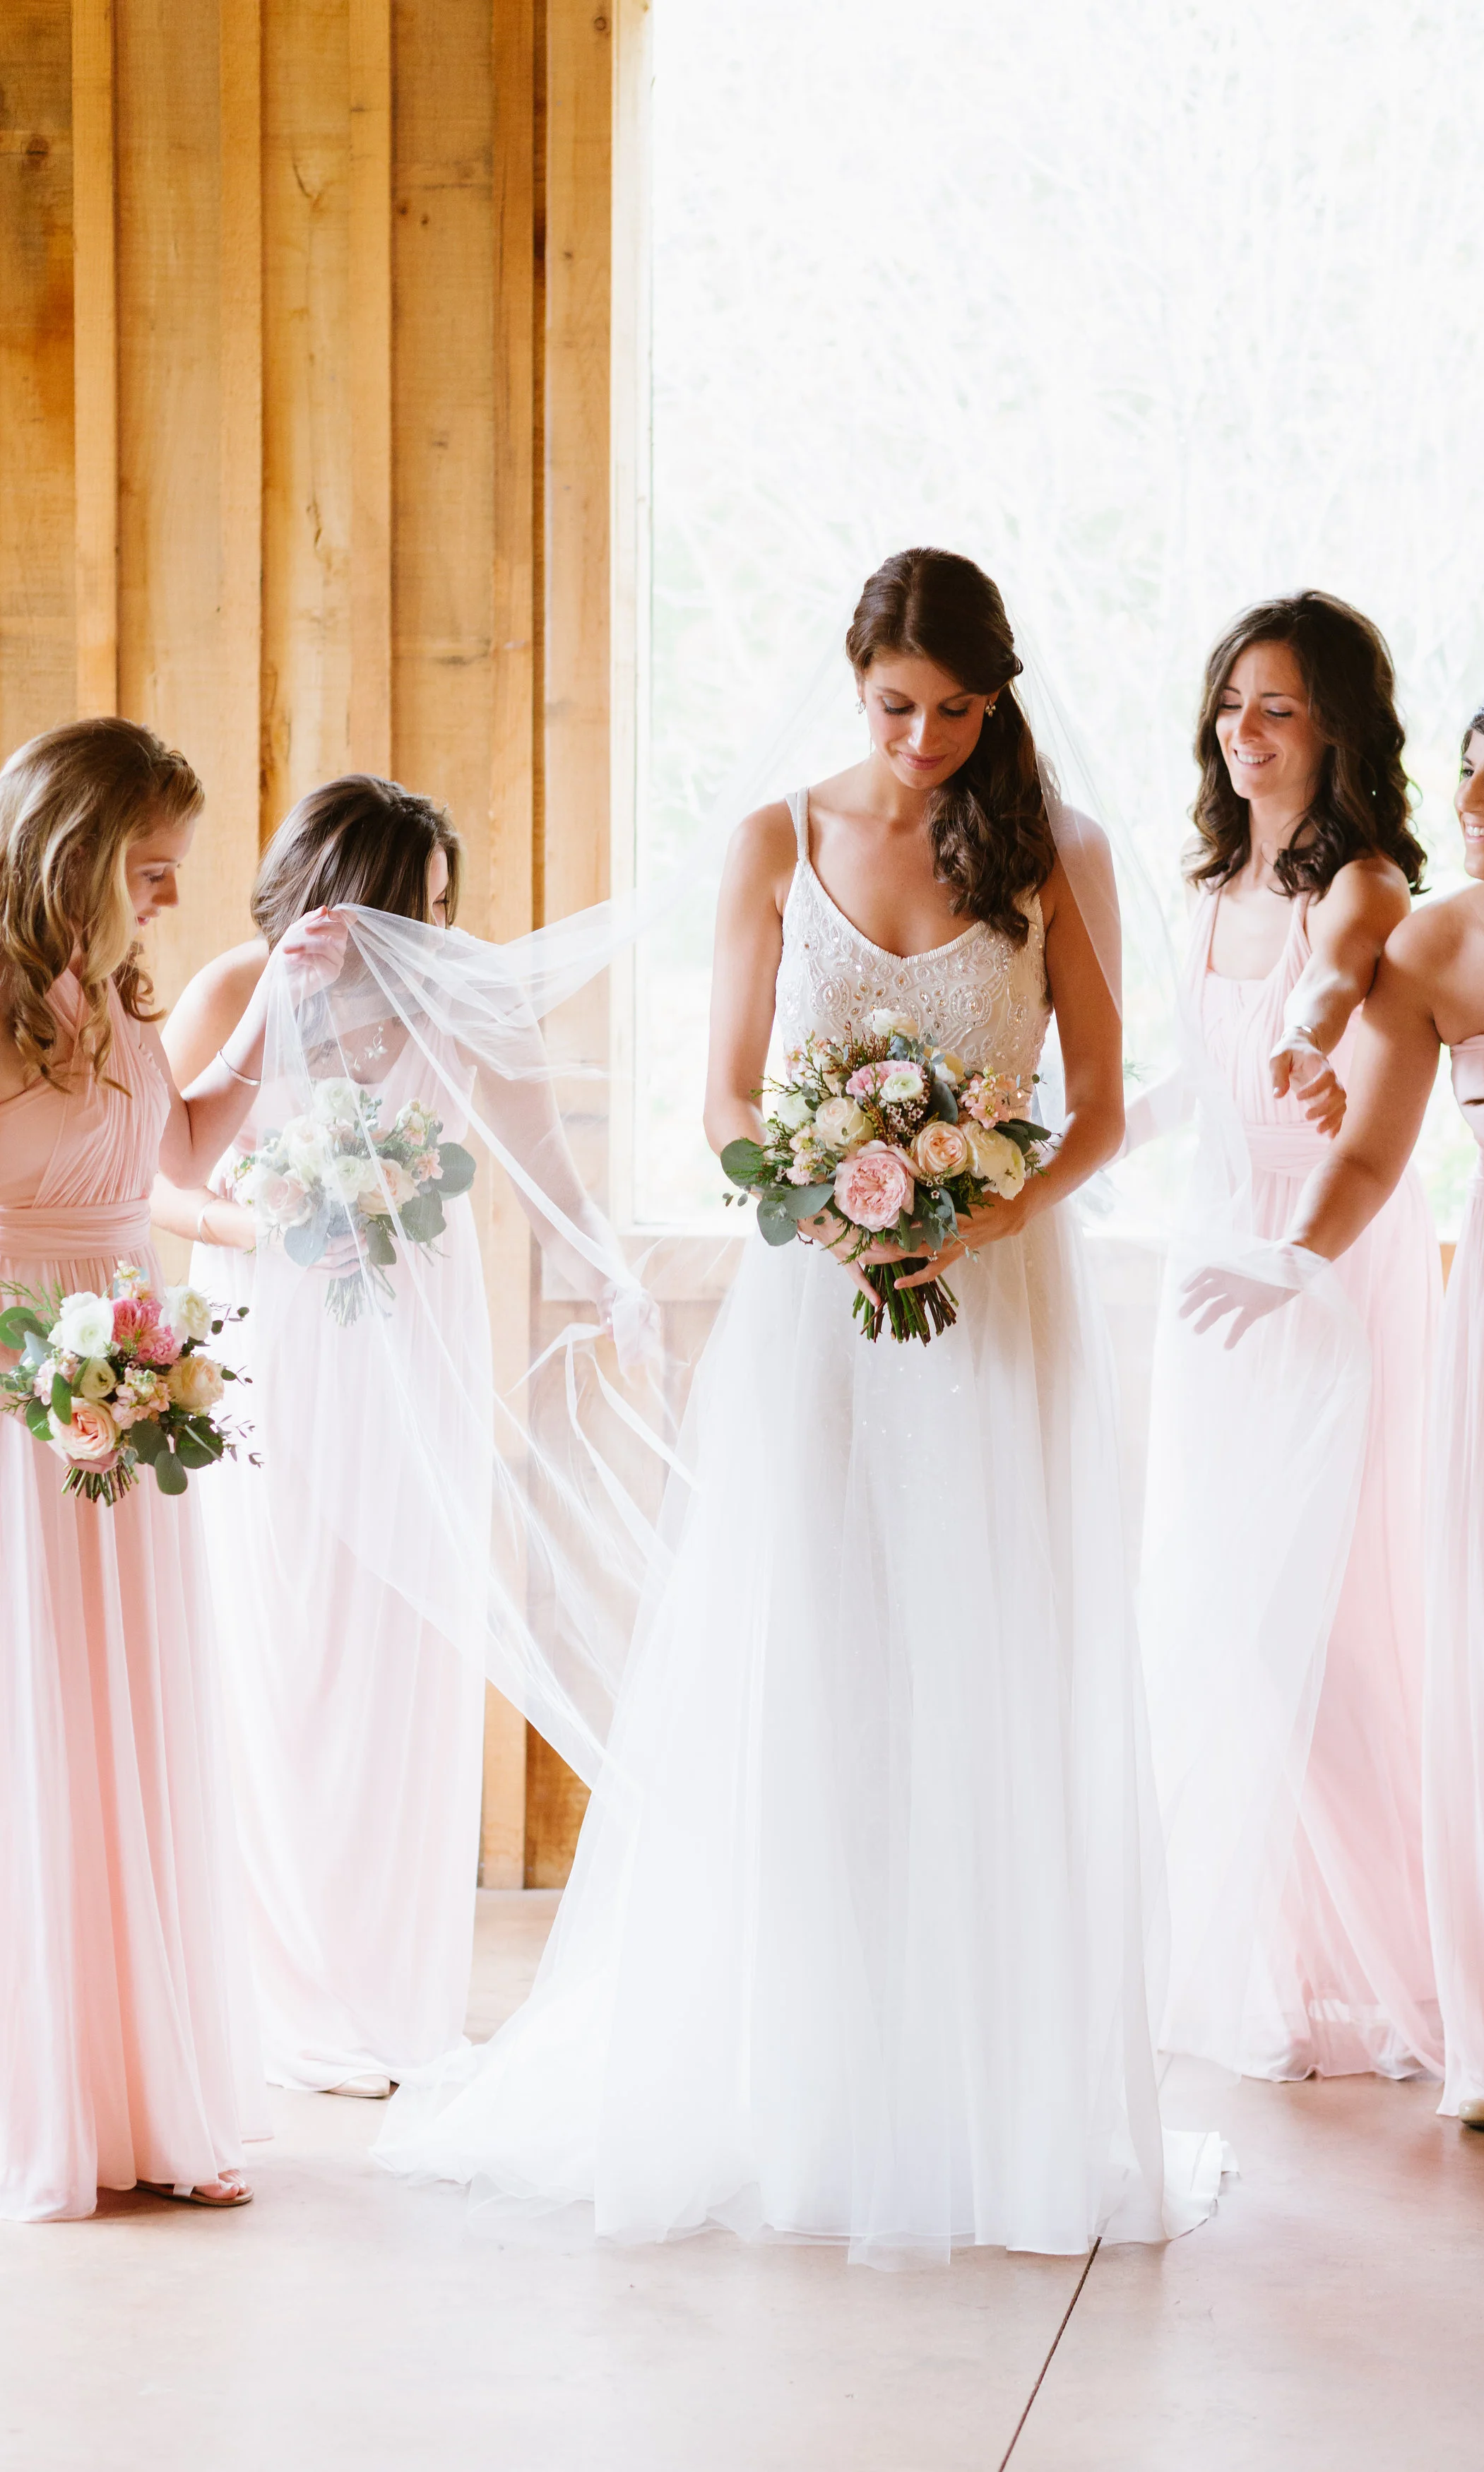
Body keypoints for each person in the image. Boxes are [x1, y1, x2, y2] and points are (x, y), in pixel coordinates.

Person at [374, 547, 1224, 2262]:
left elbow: (1108, 1109)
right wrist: (839, 1206)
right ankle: (813, 2085)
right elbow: (726, 1095)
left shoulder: (1065, 851)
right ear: (855, 684)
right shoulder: (774, 837)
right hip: (816, 1309)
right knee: (820, 1665)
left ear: (1001, 698)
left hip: (995, 1303)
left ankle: (986, 2104)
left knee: (985, 1666)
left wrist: (968, 1216)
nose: (923, 739)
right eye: (896, 705)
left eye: (957, 709)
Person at [1186, 679, 1484, 2132]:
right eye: (1464, 774)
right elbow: (1377, 1149)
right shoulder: (1436, 938)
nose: (1470, 804)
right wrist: (1289, 1257)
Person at [0, 716, 340, 2218]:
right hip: (22, 1386)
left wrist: (288, 1012)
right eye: (149, 868)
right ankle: (46, 2090)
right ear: (72, 849)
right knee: (42, 1722)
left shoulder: (125, 1001)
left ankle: (142, 2091)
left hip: (127, 1382)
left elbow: (183, 1159)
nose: (167, 899)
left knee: (129, 1717)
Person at [1135, 594, 1442, 2082]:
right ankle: (1284, 1954)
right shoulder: (1204, 886)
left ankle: (1414, 1955)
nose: (1244, 736)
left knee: (1318, 1620)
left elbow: (1325, 990)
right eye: (1232, 705)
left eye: (1279, 712)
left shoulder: (1365, 882)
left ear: (1337, 732)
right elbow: (1185, 1082)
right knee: (1221, 1615)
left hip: (1315, 1268)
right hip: (1211, 1279)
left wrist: (1306, 1044)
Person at [150, 779, 485, 2102]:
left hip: (413, 1354)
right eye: (419, 912)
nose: (439, 937)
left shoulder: (451, 996)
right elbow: (156, 1175)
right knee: (278, 1648)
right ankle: (274, 1987)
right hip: (269, 1351)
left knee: (394, 1652)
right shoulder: (237, 985)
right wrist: (280, 1227)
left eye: (448, 913)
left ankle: (386, 1986)